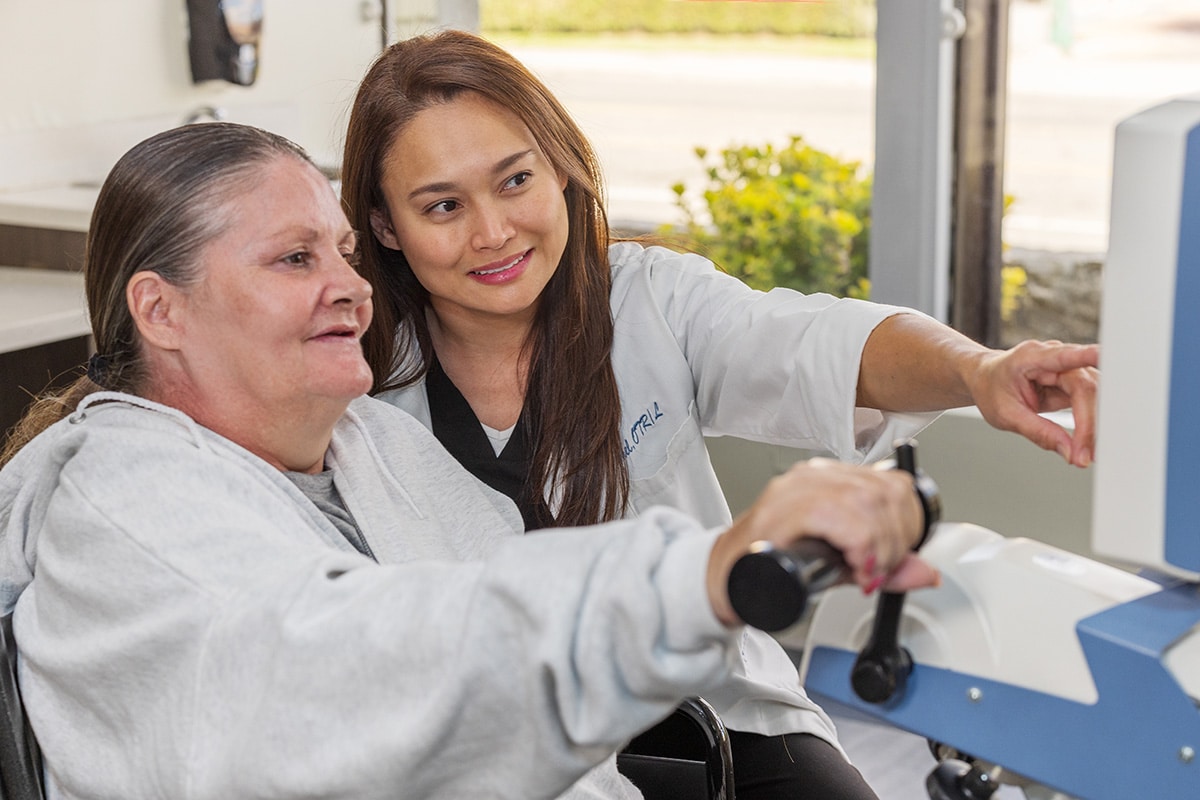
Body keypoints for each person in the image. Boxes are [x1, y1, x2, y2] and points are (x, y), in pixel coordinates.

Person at [0, 122, 937, 800]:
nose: (349, 288)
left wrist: (979, 372)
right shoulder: (128, 502)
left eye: (341, 252)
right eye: (294, 260)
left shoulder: (372, 446)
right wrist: (703, 575)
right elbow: (358, 665)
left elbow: (493, 615)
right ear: (160, 312)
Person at [339, 29, 1099, 800]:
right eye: (442, 205)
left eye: (513, 181)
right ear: (385, 227)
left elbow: (816, 344)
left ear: (561, 165)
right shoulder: (353, 379)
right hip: (490, 751)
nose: (492, 232)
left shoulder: (649, 302)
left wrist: (976, 369)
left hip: (709, 718)